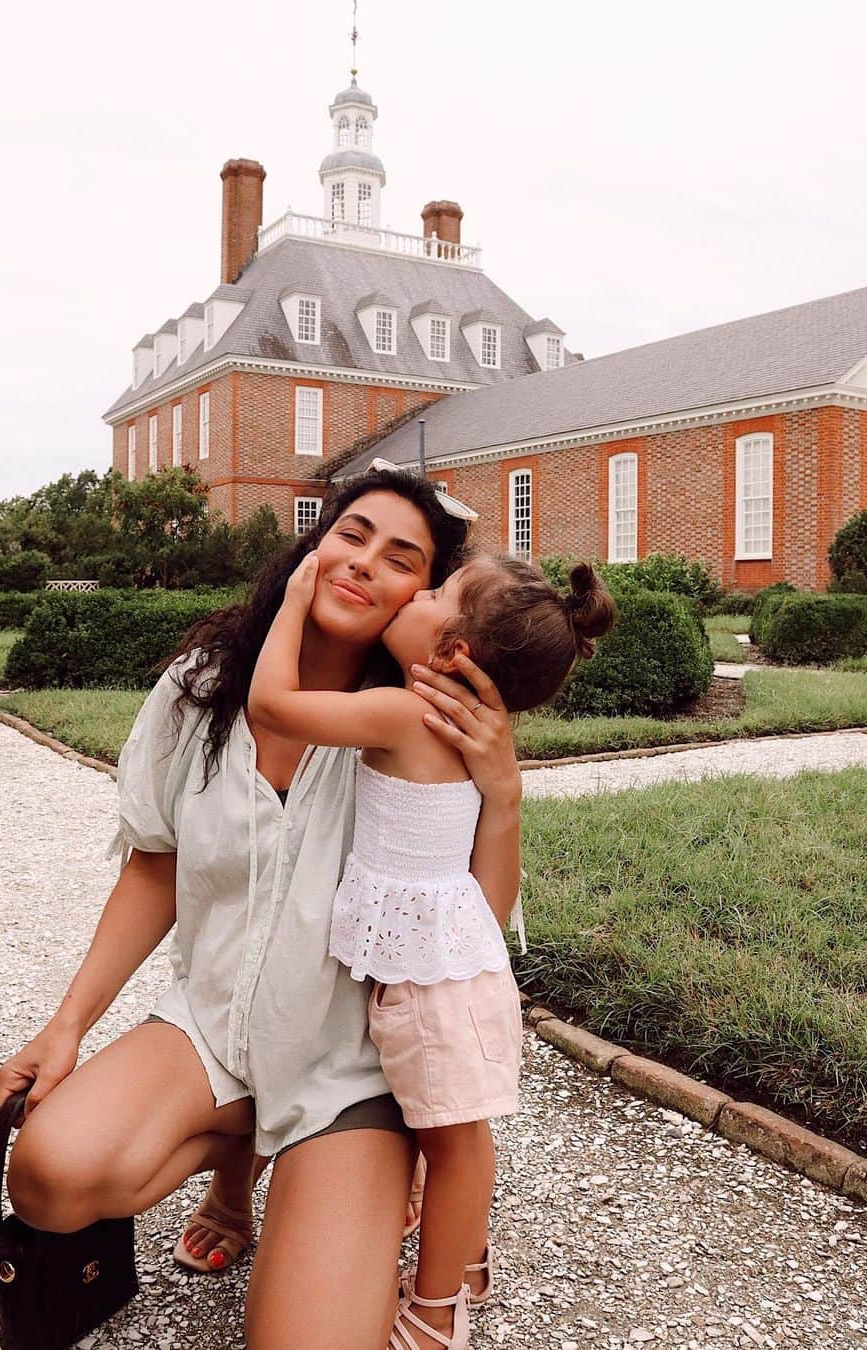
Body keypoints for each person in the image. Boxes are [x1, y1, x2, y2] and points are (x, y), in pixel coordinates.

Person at [0, 469, 524, 1349]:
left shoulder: (424, 723)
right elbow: (154, 867)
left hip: (348, 1076)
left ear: (423, 603)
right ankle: (238, 1163)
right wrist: (65, 1027)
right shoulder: (201, 686)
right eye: (351, 535)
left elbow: (471, 927)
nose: (363, 564)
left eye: (402, 559)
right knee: (48, 1175)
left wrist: (501, 796)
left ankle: (358, 1185)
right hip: (209, 1031)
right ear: (313, 548)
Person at [247, 550, 617, 1349]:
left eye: (438, 591)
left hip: (435, 990)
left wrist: (293, 599)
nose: (417, 590)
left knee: (456, 1147)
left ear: (452, 652)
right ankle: (467, 1255)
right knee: (449, 1138)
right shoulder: (448, 721)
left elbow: (272, 706)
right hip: (446, 973)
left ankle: (438, 1308)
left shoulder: (401, 712)